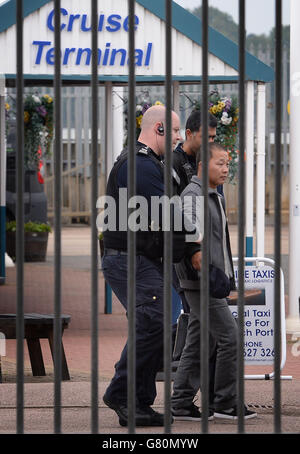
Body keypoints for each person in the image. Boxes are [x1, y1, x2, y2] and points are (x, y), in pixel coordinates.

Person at [101, 105, 200, 427]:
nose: (176, 137)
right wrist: (194, 245)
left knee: (152, 325)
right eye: (172, 131)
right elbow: (168, 212)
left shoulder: (144, 162)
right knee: (153, 323)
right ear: (158, 129)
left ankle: (137, 403)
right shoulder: (140, 165)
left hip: (136, 258)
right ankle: (123, 394)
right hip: (130, 259)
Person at [171, 142, 257, 421]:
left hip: (209, 282)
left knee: (198, 341)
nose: (225, 169)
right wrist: (211, 274)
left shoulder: (213, 196)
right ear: (202, 165)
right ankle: (224, 401)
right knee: (231, 337)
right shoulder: (194, 196)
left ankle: (181, 402)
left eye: (227, 164)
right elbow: (190, 239)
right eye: (220, 163)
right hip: (202, 283)